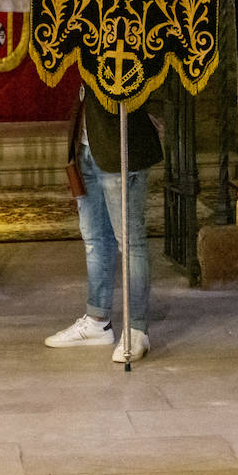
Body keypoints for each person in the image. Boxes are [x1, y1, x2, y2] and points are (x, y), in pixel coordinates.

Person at [45, 86, 162, 362]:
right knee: (94, 239)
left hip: (120, 143)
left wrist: (155, 109)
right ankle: (98, 320)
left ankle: (137, 329)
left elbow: (160, 61)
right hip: (87, 144)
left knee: (129, 241)